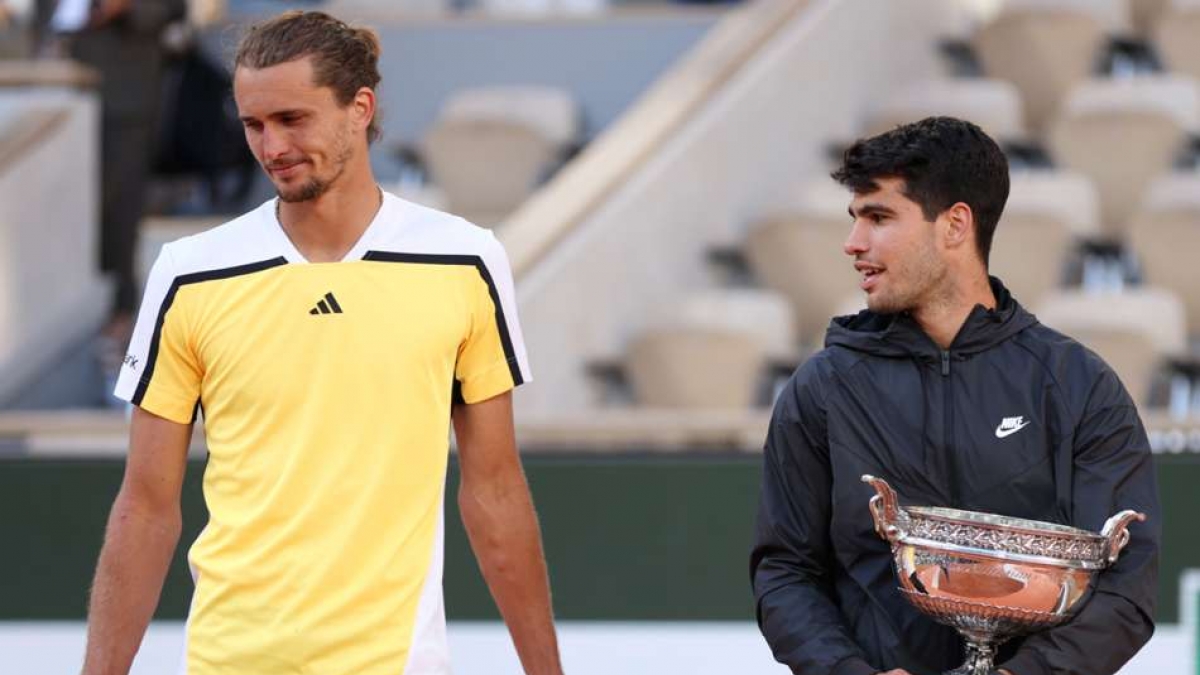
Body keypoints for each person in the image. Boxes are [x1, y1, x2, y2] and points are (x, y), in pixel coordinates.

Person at [81, 11, 563, 675]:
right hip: (229, 659)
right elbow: (144, 506)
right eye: (253, 124)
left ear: (359, 108)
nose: (271, 145)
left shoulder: (466, 259)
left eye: (292, 118)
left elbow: (495, 489)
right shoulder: (190, 271)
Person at [750, 117, 1160, 675]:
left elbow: (1125, 587)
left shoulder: (1077, 386)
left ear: (955, 225)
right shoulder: (821, 389)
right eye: (855, 219)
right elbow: (785, 572)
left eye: (879, 217)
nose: (853, 243)